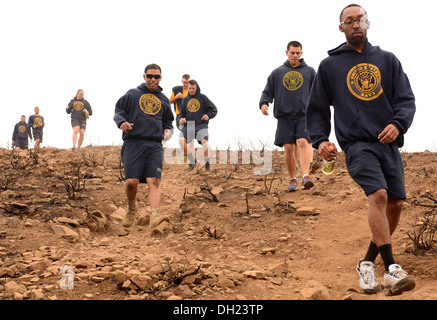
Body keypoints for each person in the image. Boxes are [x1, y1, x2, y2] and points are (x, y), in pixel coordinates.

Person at [306, 4, 416, 296]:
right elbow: (316, 108)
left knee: (395, 204)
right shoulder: (329, 66)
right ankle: (392, 269)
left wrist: (398, 124)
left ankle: (367, 262)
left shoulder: (388, 60)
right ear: (340, 28)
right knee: (378, 195)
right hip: (356, 144)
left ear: (368, 23)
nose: (356, 24)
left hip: (388, 144)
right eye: (349, 21)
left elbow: (405, 100)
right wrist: (320, 140)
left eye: (360, 20)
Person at [114, 63, 174, 229]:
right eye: (150, 76)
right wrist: (122, 123)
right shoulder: (132, 94)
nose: (153, 79)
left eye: (156, 77)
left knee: (154, 180)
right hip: (134, 142)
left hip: (154, 144)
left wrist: (168, 131)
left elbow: (168, 121)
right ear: (144, 76)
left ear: (160, 78)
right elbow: (118, 111)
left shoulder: (163, 99)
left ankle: (155, 215)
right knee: (131, 182)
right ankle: (132, 209)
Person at [259, 41, 316, 191]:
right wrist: (264, 103)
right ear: (287, 53)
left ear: (301, 54)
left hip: (304, 114)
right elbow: (267, 91)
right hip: (284, 115)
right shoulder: (277, 72)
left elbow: (318, 92)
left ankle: (306, 176)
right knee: (289, 147)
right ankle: (292, 179)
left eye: (298, 53)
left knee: (303, 142)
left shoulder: (310, 72)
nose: (295, 56)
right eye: (292, 53)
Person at [178, 79, 217, 171]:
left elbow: (214, 110)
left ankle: (207, 166)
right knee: (181, 140)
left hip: (201, 125)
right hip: (189, 125)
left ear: (197, 88)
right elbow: (181, 114)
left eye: (193, 88)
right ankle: (192, 162)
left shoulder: (203, 98)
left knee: (205, 143)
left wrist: (208, 115)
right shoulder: (185, 100)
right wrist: (181, 119)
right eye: (190, 88)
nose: (191, 90)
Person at [169, 74, 195, 161]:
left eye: (188, 83)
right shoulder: (176, 90)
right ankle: (186, 154)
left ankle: (189, 156)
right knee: (184, 133)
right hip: (180, 115)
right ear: (182, 81)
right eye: (184, 82)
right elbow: (168, 102)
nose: (186, 85)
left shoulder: (193, 91)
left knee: (191, 135)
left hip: (191, 115)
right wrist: (176, 97)